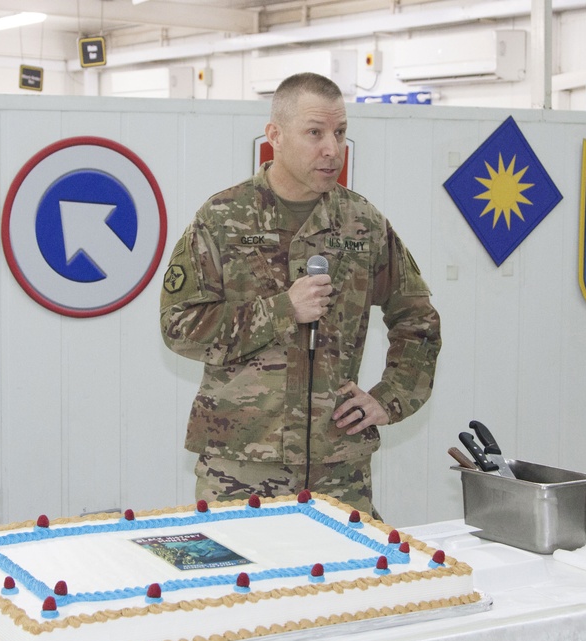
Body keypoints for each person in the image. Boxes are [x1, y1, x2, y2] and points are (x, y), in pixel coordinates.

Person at [159, 72, 440, 518]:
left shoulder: (361, 223)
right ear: (275, 136)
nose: (333, 148)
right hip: (242, 463)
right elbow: (179, 327)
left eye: (340, 132)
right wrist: (282, 309)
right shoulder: (222, 219)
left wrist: (390, 397)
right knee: (240, 587)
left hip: (338, 464)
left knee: (351, 585)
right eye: (315, 133)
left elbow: (418, 318)